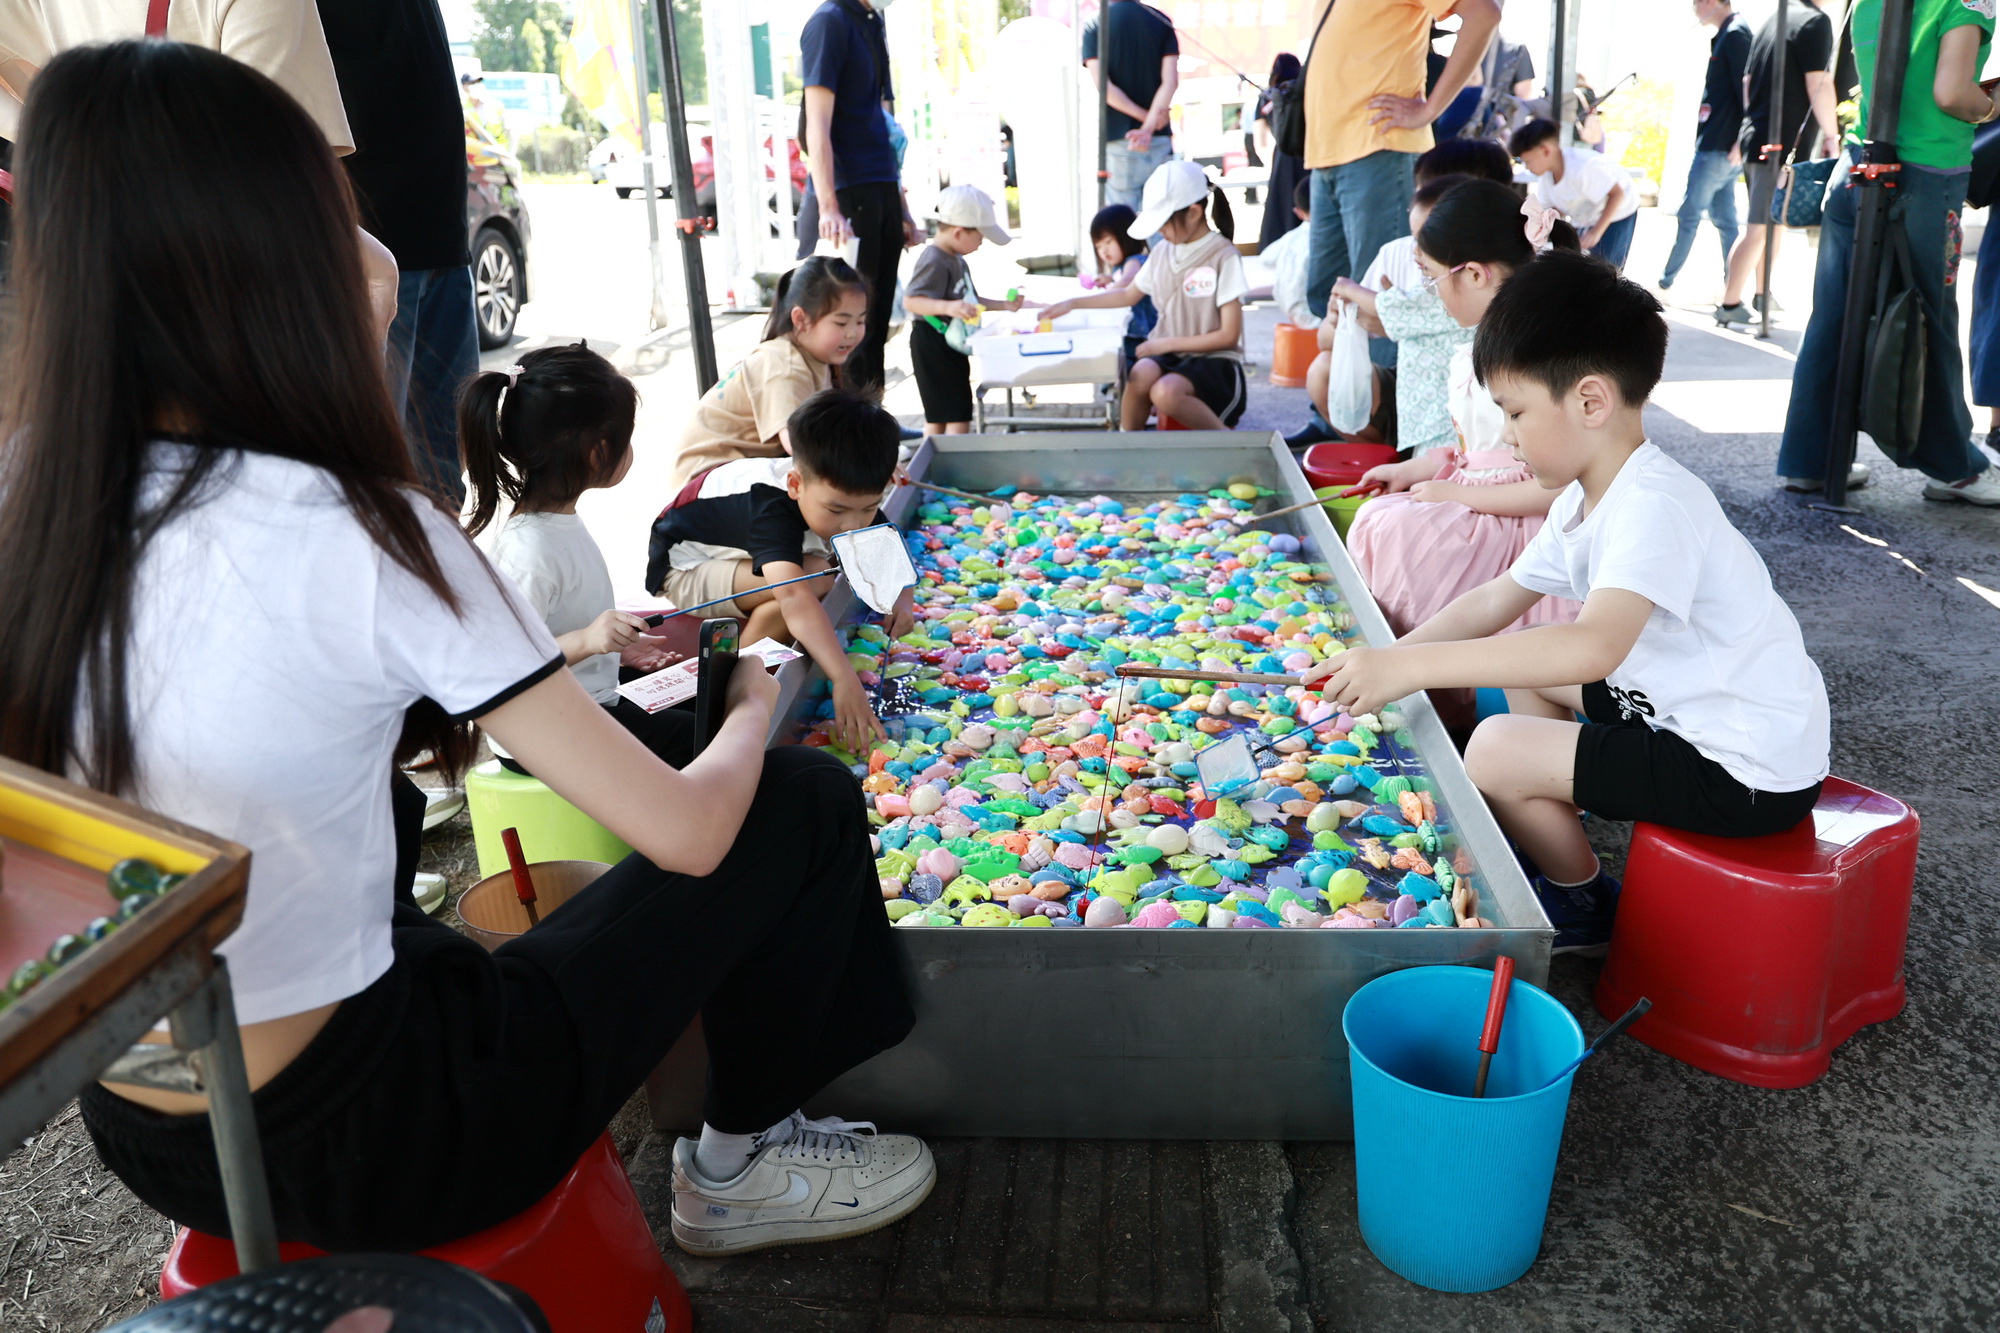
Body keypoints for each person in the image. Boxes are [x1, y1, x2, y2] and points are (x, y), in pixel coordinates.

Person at [14, 41, 929, 1259]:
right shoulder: (359, 528)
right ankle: (736, 1164)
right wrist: (756, 697)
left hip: (147, 1129)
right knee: (795, 801)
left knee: (406, 846)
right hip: (389, 1134)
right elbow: (689, 835)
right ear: (296, 260)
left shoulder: (30, 496)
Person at [1308, 251, 1831, 954]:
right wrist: (1385, 661)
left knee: (1491, 749)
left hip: (1743, 768)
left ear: (1590, 401)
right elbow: (1495, 598)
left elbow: (1592, 648)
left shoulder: (1654, 504)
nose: (1507, 435)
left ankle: (1583, 902)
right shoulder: (1588, 496)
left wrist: (1415, 669)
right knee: (1520, 665)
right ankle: (1553, 815)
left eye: (1515, 411)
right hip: (1683, 710)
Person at [1340, 180, 1582, 739]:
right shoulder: (1477, 348)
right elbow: (1472, 450)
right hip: (1478, 497)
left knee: (1411, 540)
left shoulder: (1536, 358)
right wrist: (1413, 470)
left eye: (1431, 279)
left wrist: (1455, 494)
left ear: (1474, 274)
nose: (1431, 294)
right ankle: (1407, 680)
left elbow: (1556, 485)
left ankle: (1432, 695)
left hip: (1518, 524)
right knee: (1383, 521)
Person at [1777, 0, 2000, 504]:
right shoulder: (1969, 1)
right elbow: (1951, 94)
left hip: (1856, 165)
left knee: (1833, 318)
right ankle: (1954, 467)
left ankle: (1810, 461)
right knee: (1929, 318)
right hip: (1928, 175)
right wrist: (1990, 107)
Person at [459, 344, 690, 775]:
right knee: (701, 739)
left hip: (578, 705)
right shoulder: (529, 551)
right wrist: (588, 642)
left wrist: (614, 654)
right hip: (542, 737)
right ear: (598, 453)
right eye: (625, 439)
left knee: (700, 706)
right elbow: (504, 666)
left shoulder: (555, 526)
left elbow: (555, 630)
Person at [647, 389, 914, 752]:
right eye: (836, 511)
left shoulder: (842, 489)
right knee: (812, 579)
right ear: (795, 484)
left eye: (867, 508)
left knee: (807, 582)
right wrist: (843, 678)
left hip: (737, 560)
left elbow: (884, 544)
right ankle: (724, 694)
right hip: (684, 570)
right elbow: (794, 597)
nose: (852, 524)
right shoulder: (768, 506)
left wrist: (903, 599)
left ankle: (754, 650)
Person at [317, 0, 481, 504]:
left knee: (444, 472)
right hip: (370, 254)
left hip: (443, 237)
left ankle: (440, 555)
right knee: (378, 477)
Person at [1300, 0, 1500, 351]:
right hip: (1327, 154)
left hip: (1379, 147)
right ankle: (1350, 381)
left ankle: (1387, 386)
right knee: (1326, 294)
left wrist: (1429, 110)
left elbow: (1484, 14)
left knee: (1383, 299)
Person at [1041, 161, 1246, 430]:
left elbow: (1229, 335)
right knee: (1139, 373)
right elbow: (1127, 295)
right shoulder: (1161, 253)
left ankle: (1231, 446)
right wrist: (1072, 304)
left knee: (1165, 392)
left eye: (1163, 223)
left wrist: (1163, 344)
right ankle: (1128, 444)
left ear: (1194, 213)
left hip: (1215, 363)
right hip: (1173, 356)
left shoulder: (1223, 256)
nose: (1159, 231)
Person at [669, 256, 870, 492]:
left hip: (730, 474)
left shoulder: (814, 357)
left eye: (860, 321)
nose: (852, 333)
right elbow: (801, 446)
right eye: (841, 323)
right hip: (705, 482)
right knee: (821, 483)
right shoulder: (784, 366)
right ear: (800, 319)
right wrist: (867, 464)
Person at [801, 0, 920, 390]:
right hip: (848, 192)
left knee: (875, 319)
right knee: (846, 326)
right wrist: (828, 206)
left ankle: (873, 413)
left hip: (881, 184)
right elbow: (817, 123)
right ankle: (848, 418)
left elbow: (883, 122)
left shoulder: (872, 20)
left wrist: (901, 206)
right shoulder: (829, 22)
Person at [1325, 173, 1476, 460]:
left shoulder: (1455, 291)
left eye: (1426, 240)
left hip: (1442, 421)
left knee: (1441, 476)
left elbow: (1391, 306)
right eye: (1414, 239)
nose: (1415, 251)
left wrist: (1349, 288)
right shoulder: (1448, 285)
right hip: (1433, 417)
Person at [1716, 0, 1840, 326]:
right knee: (1759, 227)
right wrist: (1832, 135)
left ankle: (1762, 294)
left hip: (1760, 135)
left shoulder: (1775, 18)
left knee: (1773, 222)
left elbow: (1747, 82)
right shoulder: (1814, 21)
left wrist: (1754, 118)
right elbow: (1819, 83)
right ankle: (1729, 303)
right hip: (1776, 143)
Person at [902, 185, 1028, 436]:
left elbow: (969, 299)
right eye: (980, 236)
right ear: (959, 232)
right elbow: (912, 301)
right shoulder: (934, 259)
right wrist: (948, 307)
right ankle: (948, 457)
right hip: (932, 340)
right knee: (951, 413)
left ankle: (940, 457)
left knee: (949, 411)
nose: (981, 243)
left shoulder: (956, 259)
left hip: (950, 342)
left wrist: (1003, 305)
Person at [1659, 0, 1751, 294]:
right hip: (1718, 143)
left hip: (1720, 146)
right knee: (1725, 220)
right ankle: (1731, 285)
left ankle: (1665, 281)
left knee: (1689, 215)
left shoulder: (1736, 34)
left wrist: (1742, 138)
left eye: (1696, 3)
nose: (1694, 10)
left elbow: (1747, 89)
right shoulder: (1729, 33)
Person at [1081, 0, 1180, 213]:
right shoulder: (1160, 20)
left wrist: (1144, 121)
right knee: (1162, 218)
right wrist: (1149, 126)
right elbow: (1170, 82)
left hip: (1120, 140)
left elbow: (1104, 88)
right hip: (1159, 138)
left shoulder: (1095, 23)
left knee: (1123, 221)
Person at [1510, 117, 1639, 269]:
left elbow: (1617, 194)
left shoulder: (1582, 166)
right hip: (1586, 217)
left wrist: (1596, 232)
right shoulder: (1546, 177)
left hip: (1618, 213)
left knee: (1607, 267)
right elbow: (1554, 209)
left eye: (1528, 162)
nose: (1527, 167)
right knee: (1582, 265)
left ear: (1545, 150)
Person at [1085, 202, 1158, 368]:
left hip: (1140, 335)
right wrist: (1110, 279)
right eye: (1099, 246)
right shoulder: (1122, 266)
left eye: (1108, 242)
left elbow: (1126, 283)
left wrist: (1105, 293)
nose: (1104, 251)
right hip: (1132, 333)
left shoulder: (1135, 261)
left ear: (1126, 236)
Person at [1254, 52, 1306, 251]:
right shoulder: (1305, 91)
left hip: (1283, 156)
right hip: (1309, 153)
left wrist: (1272, 166)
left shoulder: (1268, 96)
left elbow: (1260, 141)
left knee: (1282, 209)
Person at [1266, 178, 1317, 330]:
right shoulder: (1324, 238)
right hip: (1317, 320)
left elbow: (1266, 258)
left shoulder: (1290, 237)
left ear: (1298, 212)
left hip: (1291, 315)